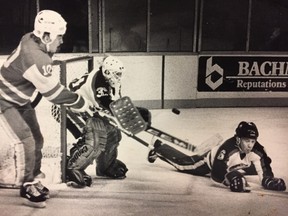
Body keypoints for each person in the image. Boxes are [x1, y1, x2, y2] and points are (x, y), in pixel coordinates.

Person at [0, 10, 93, 208]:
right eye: (59, 36)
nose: (61, 41)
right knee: (26, 140)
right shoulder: (35, 57)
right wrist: (80, 102)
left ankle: (33, 176)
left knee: (37, 139)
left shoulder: (30, 38)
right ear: (46, 36)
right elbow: (54, 94)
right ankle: (27, 185)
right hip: (4, 101)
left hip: (20, 100)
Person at [64, 55, 151, 186]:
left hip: (88, 109)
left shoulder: (111, 80)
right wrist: (130, 114)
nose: (119, 76)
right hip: (69, 109)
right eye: (117, 74)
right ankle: (73, 167)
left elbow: (115, 102)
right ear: (107, 72)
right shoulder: (97, 81)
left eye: (120, 73)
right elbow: (105, 105)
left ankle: (105, 166)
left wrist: (133, 111)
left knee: (113, 133)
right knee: (95, 137)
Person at [148, 121, 286, 192]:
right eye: (246, 140)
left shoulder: (257, 150)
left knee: (259, 164)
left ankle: (235, 171)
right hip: (211, 163)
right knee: (183, 165)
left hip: (235, 164)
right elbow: (216, 174)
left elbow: (265, 168)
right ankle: (159, 148)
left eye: (252, 141)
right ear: (238, 139)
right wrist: (230, 180)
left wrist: (268, 180)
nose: (250, 145)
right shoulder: (227, 148)